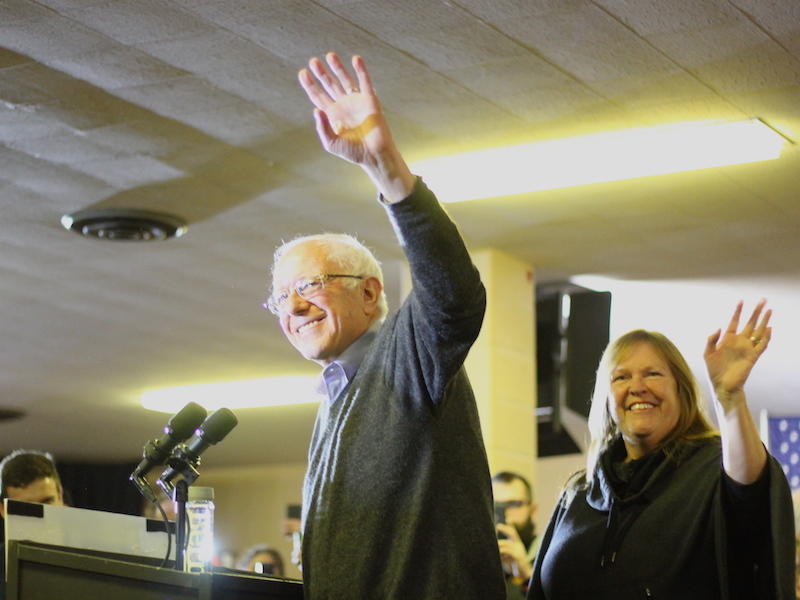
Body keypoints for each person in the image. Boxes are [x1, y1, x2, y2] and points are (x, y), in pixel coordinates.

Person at [266, 52, 505, 598]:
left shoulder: (407, 354)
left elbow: (455, 297)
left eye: (308, 286)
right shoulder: (335, 395)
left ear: (370, 292)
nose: (292, 309)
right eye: (280, 297)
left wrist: (385, 165)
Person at [527, 300, 795, 599]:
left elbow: (751, 486)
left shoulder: (711, 471)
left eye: (653, 374)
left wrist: (729, 398)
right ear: (606, 397)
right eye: (621, 377)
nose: (637, 386)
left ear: (681, 390)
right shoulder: (580, 493)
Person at [0, 450, 65, 600]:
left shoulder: (94, 560)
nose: (39, 516)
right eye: (25, 507)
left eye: (47, 502)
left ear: (60, 497)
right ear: (3, 510)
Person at [492, 471, 539, 599]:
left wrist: (527, 574)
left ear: (533, 509)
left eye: (514, 504)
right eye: (496, 505)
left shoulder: (548, 555)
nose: (506, 513)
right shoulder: (476, 558)